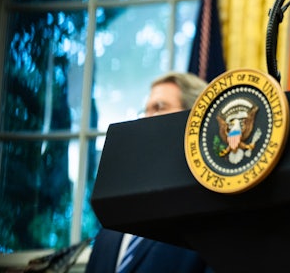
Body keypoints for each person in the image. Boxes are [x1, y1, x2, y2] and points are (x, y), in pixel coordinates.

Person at [86, 72, 211, 273]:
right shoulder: (113, 222)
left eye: (159, 107)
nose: (146, 119)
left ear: (193, 118)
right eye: (145, 111)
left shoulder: (207, 220)